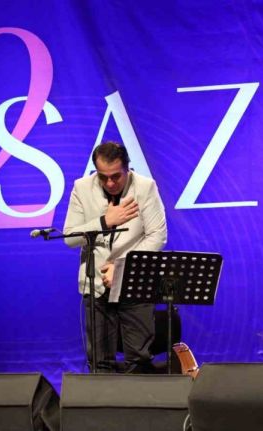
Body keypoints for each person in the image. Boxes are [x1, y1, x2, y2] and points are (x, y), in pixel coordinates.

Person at [63, 141, 167, 373]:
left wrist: (122, 267)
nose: (110, 183)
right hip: (96, 283)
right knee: (99, 362)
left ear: (127, 168)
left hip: (134, 282)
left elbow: (157, 236)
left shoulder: (145, 187)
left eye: (115, 176)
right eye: (103, 177)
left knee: (139, 359)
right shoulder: (81, 188)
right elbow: (70, 238)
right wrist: (104, 221)